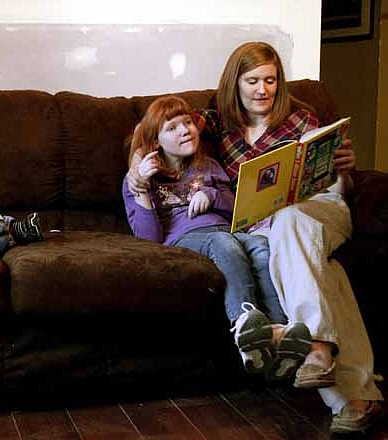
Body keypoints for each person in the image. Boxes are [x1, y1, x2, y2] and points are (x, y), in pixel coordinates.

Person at [126, 42, 383, 434]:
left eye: (271, 80)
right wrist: (137, 175)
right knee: (325, 270)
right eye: (252, 81)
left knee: (290, 220)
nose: (263, 89)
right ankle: (355, 400)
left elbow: (339, 188)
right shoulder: (217, 127)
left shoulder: (302, 119)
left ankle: (317, 346)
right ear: (236, 83)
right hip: (269, 229)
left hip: (320, 210)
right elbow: (152, 132)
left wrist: (345, 172)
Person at [123, 95, 312, 381]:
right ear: (154, 143)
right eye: (172, 128)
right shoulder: (139, 181)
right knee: (224, 244)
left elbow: (236, 206)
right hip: (186, 240)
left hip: (228, 231)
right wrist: (142, 191)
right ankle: (243, 319)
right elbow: (149, 239)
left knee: (261, 245)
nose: (185, 130)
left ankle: (277, 332)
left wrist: (211, 195)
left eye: (187, 123)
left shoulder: (208, 165)